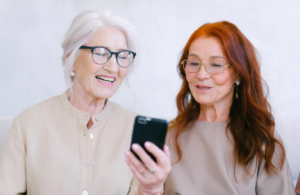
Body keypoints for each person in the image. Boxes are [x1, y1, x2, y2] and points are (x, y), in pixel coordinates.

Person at [0, 10, 170, 195]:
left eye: (122, 56)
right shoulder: (27, 123)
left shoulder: (135, 129)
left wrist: (152, 189)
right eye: (101, 53)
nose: (113, 67)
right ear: (70, 57)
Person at [164, 21, 294, 195]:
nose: (201, 75)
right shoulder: (166, 135)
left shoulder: (262, 139)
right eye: (194, 63)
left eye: (216, 65)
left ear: (239, 73)